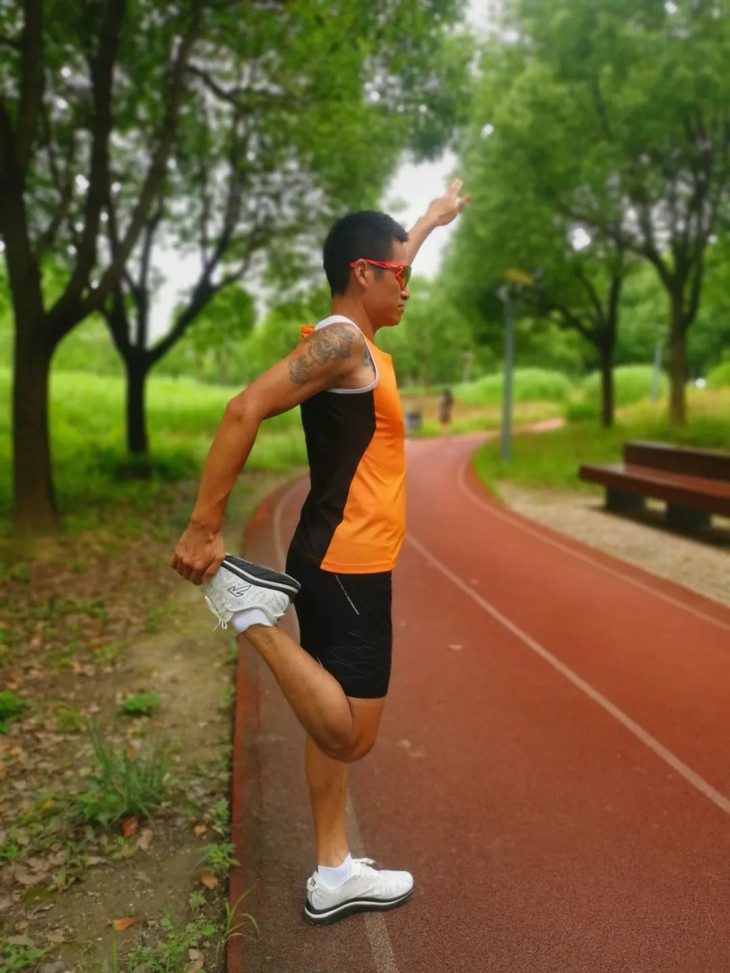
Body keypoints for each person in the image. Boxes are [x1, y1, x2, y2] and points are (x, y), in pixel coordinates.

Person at [170, 180, 469, 926]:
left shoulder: (355, 337)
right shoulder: (340, 344)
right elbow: (244, 409)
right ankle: (249, 614)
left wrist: (428, 222)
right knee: (350, 733)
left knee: (326, 709)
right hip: (347, 563)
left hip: (340, 554)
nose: (408, 287)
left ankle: (333, 870)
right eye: (397, 274)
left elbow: (391, 264)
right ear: (362, 274)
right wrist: (204, 529)